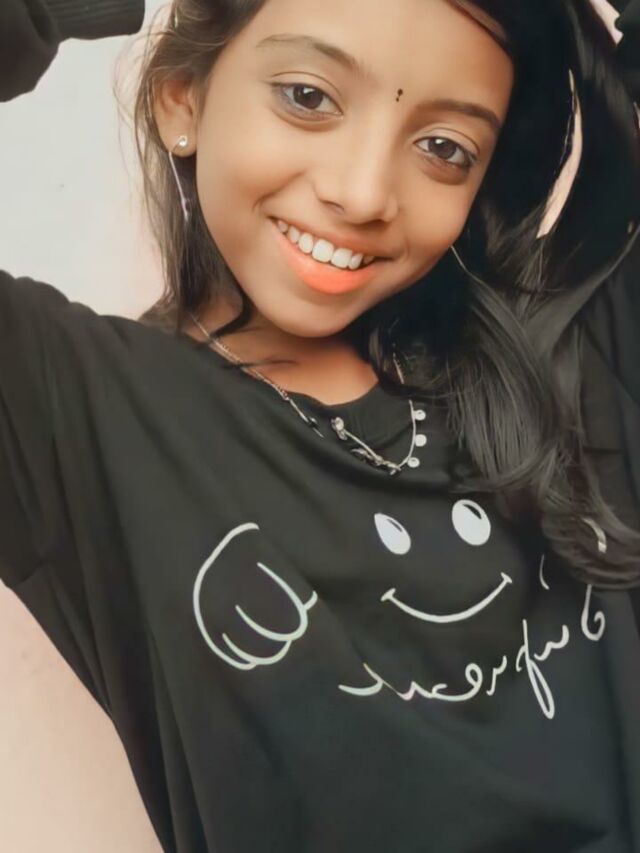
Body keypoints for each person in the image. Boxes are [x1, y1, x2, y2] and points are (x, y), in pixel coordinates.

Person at [1, 0, 640, 850]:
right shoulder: (77, 415)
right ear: (182, 96)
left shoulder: (568, 355)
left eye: (444, 148)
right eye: (308, 97)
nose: (363, 192)